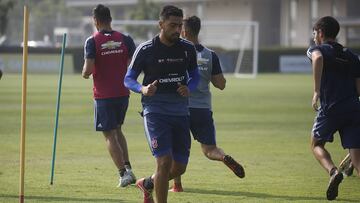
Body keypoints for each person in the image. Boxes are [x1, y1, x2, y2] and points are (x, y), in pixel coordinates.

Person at [124, 5, 199, 203]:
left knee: (180, 167)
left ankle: (147, 183)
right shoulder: (146, 49)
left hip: (181, 111)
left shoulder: (188, 49)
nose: (177, 30)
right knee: (164, 162)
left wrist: (189, 87)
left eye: (179, 25)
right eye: (172, 25)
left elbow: (195, 75)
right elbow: (128, 79)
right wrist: (143, 89)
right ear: (161, 24)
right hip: (155, 110)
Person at [168, 15, 245, 193]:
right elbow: (221, 84)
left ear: (184, 31)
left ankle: (177, 186)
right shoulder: (210, 55)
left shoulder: (178, 52)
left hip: (180, 108)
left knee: (174, 148)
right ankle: (224, 157)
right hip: (203, 109)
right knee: (210, 149)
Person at [82, 4, 136, 188]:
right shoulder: (126, 39)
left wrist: (84, 73)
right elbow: (133, 66)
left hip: (104, 95)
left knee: (109, 135)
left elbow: (87, 70)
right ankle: (128, 168)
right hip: (123, 93)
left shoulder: (92, 41)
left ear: (95, 21)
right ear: (110, 20)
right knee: (118, 130)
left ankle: (123, 174)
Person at [307, 16, 360, 201]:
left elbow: (318, 57)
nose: (314, 38)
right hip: (354, 108)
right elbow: (359, 87)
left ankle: (333, 171)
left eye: (314, 34)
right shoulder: (351, 55)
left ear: (320, 33)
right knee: (357, 160)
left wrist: (316, 91)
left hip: (331, 108)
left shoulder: (318, 49)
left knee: (315, 144)